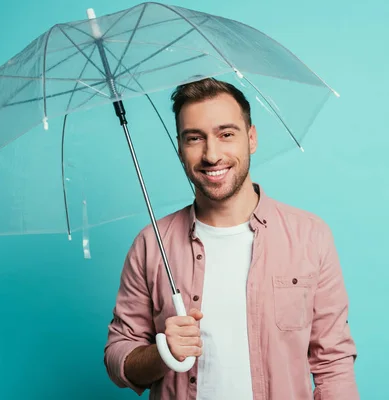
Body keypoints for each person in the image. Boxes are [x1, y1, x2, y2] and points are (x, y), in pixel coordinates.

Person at [104, 77, 359, 400]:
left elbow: (333, 361)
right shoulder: (152, 244)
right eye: (194, 138)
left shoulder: (309, 236)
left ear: (251, 138)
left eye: (226, 134)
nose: (212, 154)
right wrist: (163, 352)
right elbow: (118, 359)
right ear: (180, 149)